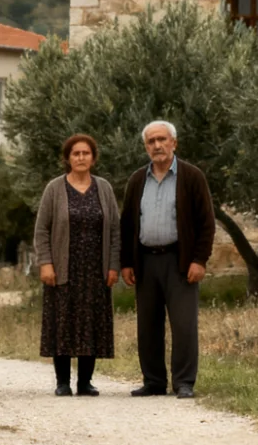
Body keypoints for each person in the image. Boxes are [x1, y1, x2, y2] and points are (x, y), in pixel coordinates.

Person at [119, 120, 215, 398]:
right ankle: (153, 381)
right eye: (151, 141)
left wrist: (199, 260)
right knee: (147, 325)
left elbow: (206, 223)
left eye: (162, 139)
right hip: (145, 261)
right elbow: (128, 224)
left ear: (174, 143)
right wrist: (126, 262)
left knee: (184, 324)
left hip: (180, 261)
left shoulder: (192, 176)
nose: (157, 145)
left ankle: (184, 382)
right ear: (145, 147)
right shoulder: (138, 180)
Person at [34, 133, 120, 396]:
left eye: (86, 153)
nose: (81, 157)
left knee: (90, 323)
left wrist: (113, 265)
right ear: (68, 159)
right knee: (62, 323)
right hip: (63, 268)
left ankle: (85, 382)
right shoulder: (54, 189)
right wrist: (46, 263)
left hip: (95, 269)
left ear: (93, 158)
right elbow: (41, 230)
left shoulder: (104, 188)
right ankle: (62, 382)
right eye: (76, 153)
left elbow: (116, 230)